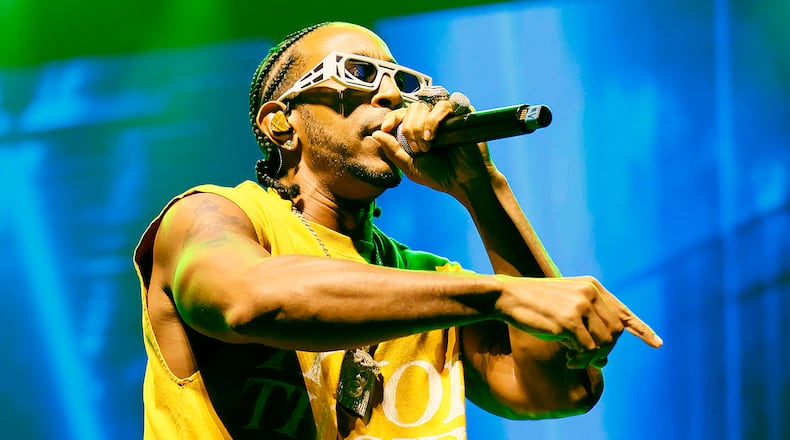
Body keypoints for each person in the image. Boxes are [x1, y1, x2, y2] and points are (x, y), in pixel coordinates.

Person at [133, 21, 662, 440]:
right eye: (359, 73)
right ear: (280, 121)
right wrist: (498, 294)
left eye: (405, 84)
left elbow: (560, 390)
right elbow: (249, 300)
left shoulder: (425, 279)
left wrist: (483, 188)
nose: (391, 96)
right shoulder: (212, 216)